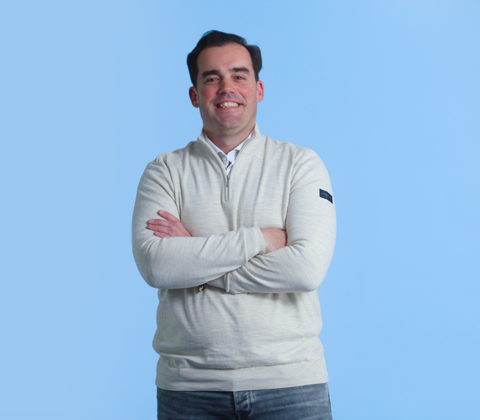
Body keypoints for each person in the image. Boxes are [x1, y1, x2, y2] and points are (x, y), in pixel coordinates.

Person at [132, 30, 336, 420]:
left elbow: (306, 269)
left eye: (239, 75)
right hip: (189, 389)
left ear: (258, 89)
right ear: (195, 95)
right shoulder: (164, 171)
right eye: (212, 78)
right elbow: (157, 265)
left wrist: (196, 259)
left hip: (291, 385)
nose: (227, 88)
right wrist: (260, 238)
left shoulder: (300, 164)